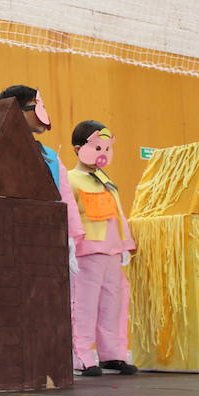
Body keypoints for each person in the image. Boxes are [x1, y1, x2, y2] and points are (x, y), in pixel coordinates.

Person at [67, 120, 138, 376]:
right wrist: (70, 244)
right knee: (84, 305)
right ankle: (81, 356)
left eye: (107, 149)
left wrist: (123, 245)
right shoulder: (70, 179)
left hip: (110, 252)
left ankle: (113, 354)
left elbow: (118, 215)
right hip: (87, 251)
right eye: (98, 148)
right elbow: (69, 214)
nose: (103, 154)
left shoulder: (107, 182)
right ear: (78, 148)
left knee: (113, 304)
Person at [0, 86, 84, 272]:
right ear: (15, 112)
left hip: (47, 238)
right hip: (9, 241)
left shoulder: (51, 157)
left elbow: (65, 199)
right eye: (35, 107)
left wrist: (69, 237)